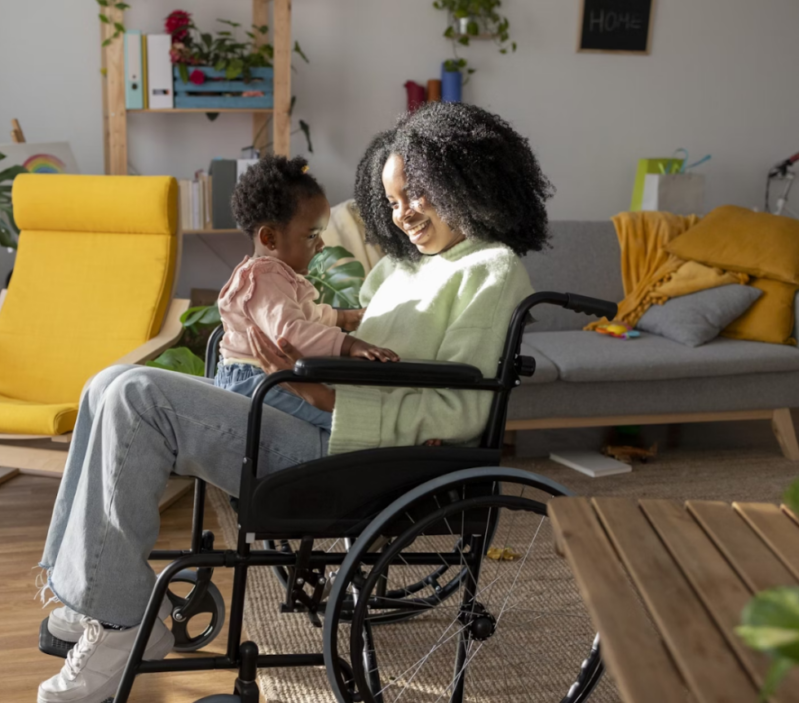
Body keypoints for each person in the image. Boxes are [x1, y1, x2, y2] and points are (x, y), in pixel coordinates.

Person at [35, 101, 553, 703]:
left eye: (414, 194)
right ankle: (93, 596)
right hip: (316, 423)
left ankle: (121, 623)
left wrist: (319, 394)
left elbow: (462, 407)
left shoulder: (492, 270)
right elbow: (339, 337)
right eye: (390, 201)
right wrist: (305, 369)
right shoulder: (400, 269)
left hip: (361, 456)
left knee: (138, 395)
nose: (402, 214)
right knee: (106, 384)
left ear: (463, 178)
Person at [216, 155, 397, 432]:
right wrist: (351, 346)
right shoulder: (265, 276)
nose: (322, 245)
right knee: (341, 421)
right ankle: (399, 435)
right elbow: (291, 333)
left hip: (258, 375)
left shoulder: (273, 275)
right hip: (255, 379)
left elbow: (305, 316)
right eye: (312, 235)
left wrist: (344, 318)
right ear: (270, 239)